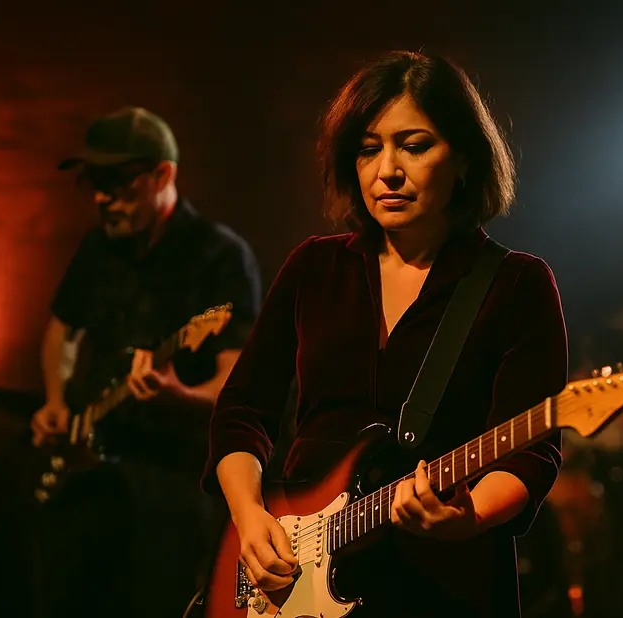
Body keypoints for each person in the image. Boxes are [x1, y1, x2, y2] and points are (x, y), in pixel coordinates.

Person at [202, 50, 568, 618]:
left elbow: (532, 450)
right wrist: (250, 519)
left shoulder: (516, 283)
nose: (386, 171)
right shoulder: (314, 268)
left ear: (465, 159)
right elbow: (242, 411)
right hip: (296, 580)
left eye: (414, 146)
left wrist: (467, 517)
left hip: (445, 587)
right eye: (369, 149)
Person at [29, 106, 262, 618]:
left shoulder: (219, 256)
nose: (102, 197)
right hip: (90, 476)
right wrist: (54, 401)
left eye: (117, 182)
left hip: (173, 490)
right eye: (93, 182)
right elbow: (61, 332)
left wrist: (181, 394)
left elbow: (238, 387)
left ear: (164, 175)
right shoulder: (98, 247)